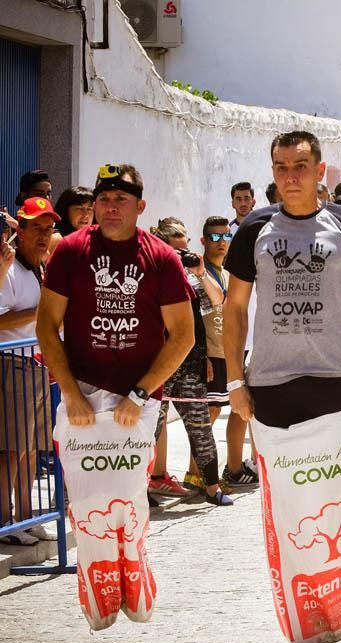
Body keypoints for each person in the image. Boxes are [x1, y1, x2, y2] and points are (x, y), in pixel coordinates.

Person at [36, 163, 195, 486]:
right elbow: (46, 326)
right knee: (87, 506)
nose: (110, 206)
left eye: (121, 198)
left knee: (128, 504)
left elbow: (183, 336)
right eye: (103, 197)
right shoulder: (69, 251)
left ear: (140, 206)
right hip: (82, 395)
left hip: (137, 401)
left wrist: (139, 394)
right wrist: (71, 393)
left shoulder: (163, 258)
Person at [223, 131, 341, 432]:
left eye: (301, 166)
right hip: (269, 382)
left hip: (334, 381)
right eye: (281, 167)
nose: (290, 177)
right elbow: (234, 306)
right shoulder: (253, 229)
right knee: (275, 480)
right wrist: (235, 381)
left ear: (320, 171)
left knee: (335, 479)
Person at [148, 219, 233, 507]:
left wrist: (198, 271)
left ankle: (212, 488)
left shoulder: (189, 278)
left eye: (184, 251)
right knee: (150, 431)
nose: (180, 257)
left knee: (200, 427)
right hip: (155, 365)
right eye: (175, 252)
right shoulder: (149, 274)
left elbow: (216, 302)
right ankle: (141, 490)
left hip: (189, 364)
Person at [0, 198, 58, 543]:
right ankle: (5, 520)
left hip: (35, 364)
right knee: (12, 449)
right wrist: (43, 312)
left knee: (32, 447)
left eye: (48, 228)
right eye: (35, 227)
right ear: (18, 230)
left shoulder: (38, 266)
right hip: (14, 365)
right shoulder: (8, 270)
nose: (43, 234)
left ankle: (25, 516)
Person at [197, 216, 257, 489]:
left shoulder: (227, 271)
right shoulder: (200, 271)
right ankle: (197, 473)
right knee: (206, 415)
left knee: (235, 410)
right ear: (204, 240)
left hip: (231, 349)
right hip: (210, 353)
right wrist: (203, 355)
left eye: (225, 237)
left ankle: (229, 468)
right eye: (214, 237)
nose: (221, 243)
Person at [48, 186, 94, 258]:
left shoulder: (95, 239)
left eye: (89, 209)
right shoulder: (57, 240)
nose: (85, 215)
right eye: (79, 208)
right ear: (66, 210)